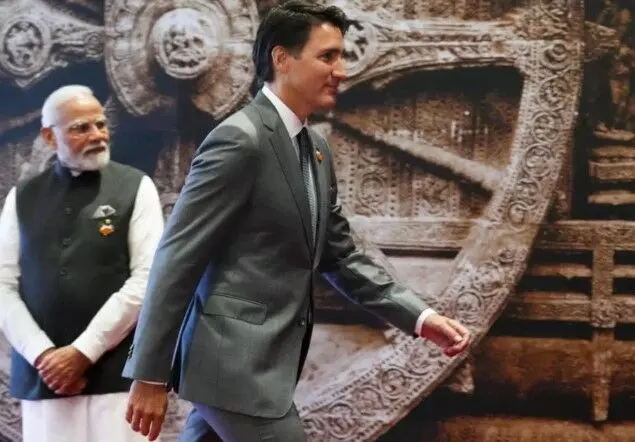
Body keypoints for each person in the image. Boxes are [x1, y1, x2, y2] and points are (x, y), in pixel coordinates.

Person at [123, 2, 471, 441]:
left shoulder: (316, 151)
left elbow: (342, 257)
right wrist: (149, 374)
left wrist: (420, 317)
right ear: (281, 59)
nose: (341, 71)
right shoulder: (239, 140)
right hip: (235, 373)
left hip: (253, 370)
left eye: (341, 56)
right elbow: (177, 257)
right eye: (327, 56)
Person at [0, 84, 165, 442]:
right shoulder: (22, 196)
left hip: (115, 379)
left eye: (101, 124)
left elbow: (148, 279)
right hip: (44, 381)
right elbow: (3, 285)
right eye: (81, 128)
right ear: (49, 136)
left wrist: (82, 351)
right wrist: (43, 354)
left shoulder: (136, 187)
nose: (97, 135)